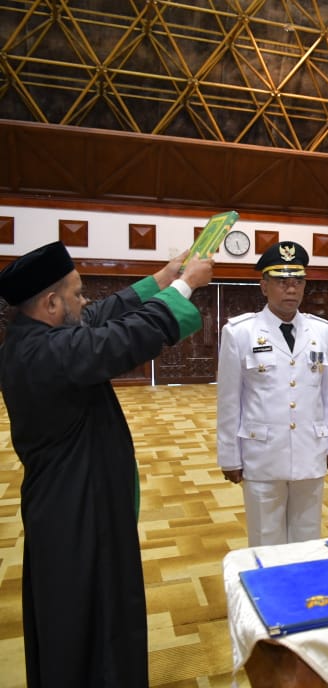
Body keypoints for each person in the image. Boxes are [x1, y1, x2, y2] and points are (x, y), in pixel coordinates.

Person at [0, 241, 214, 687]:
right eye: (77, 294)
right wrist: (184, 288)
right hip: (77, 516)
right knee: (88, 625)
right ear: (52, 302)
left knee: (88, 618)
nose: (87, 302)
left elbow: (100, 317)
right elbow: (122, 338)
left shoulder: (35, 337)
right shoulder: (50, 354)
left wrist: (159, 278)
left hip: (74, 506)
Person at [216, 241, 328, 546]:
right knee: (266, 538)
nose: (291, 289)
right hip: (262, 454)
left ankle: (305, 593)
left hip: (310, 449)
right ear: (264, 286)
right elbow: (229, 401)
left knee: (307, 537)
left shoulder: (322, 331)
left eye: (298, 281)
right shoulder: (239, 332)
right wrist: (229, 455)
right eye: (281, 282)